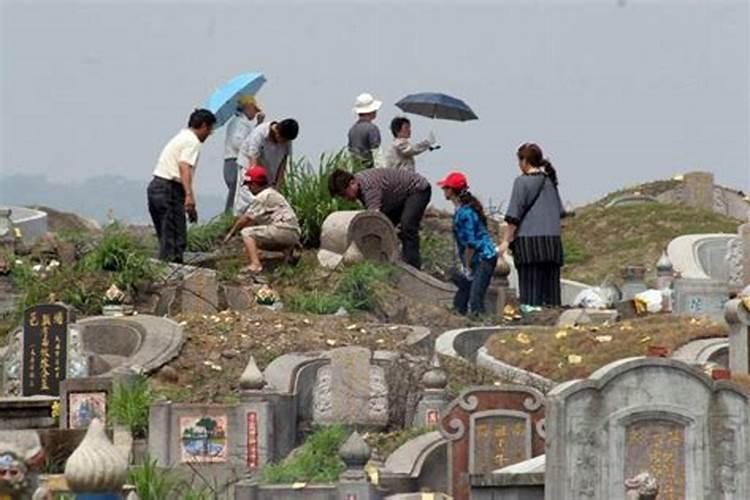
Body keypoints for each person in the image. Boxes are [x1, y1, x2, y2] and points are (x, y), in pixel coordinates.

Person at [499, 143, 566, 308]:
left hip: (529, 244)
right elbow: (560, 212)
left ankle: (532, 321)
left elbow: (513, 216)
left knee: (531, 294)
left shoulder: (521, 182)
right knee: (552, 294)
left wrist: (506, 241)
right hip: (552, 243)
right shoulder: (550, 181)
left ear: (524, 161)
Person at [147, 108, 215, 263]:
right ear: (204, 126)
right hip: (169, 188)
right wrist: (189, 195)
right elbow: (184, 166)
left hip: (157, 186)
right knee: (175, 240)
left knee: (167, 236)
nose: (209, 134)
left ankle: (166, 267)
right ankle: (172, 273)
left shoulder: (181, 136)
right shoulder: (193, 142)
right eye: (210, 129)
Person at [328, 168, 431, 269]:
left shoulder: (369, 188)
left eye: (344, 194)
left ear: (352, 183)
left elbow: (374, 220)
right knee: (388, 227)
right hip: (397, 196)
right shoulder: (360, 185)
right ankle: (391, 261)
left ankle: (413, 267)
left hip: (417, 190)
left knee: (407, 227)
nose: (346, 198)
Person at [438, 171, 498, 316]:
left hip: (484, 257)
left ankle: (481, 324)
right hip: (477, 258)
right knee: (463, 295)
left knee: (475, 299)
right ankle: (460, 316)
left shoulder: (465, 213)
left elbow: (470, 243)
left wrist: (468, 266)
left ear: (452, 190)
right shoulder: (462, 210)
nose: (443, 190)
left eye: (445, 188)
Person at [223, 166, 301, 274]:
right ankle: (288, 256)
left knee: (247, 234)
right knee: (259, 238)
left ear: (255, 184)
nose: (249, 188)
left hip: (282, 230)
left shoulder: (262, 196)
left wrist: (231, 233)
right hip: (294, 234)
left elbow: (245, 219)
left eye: (249, 185)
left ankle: (255, 265)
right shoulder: (273, 193)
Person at [235, 119, 299, 212]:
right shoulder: (259, 134)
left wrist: (278, 185)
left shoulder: (287, 139)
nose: (284, 143)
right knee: (250, 201)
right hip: (249, 169)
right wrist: (258, 186)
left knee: (269, 202)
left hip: (270, 170)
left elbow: (283, 164)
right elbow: (254, 163)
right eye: (283, 140)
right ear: (277, 131)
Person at [223, 95, 265, 213]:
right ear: (248, 107)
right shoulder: (239, 123)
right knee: (236, 190)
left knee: (238, 191)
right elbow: (238, 142)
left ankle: (231, 214)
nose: (254, 113)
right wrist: (251, 152)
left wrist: (258, 124)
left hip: (234, 160)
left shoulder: (242, 123)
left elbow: (250, 139)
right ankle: (229, 215)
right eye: (254, 109)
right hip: (234, 160)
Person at [347, 93, 382, 169]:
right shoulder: (372, 129)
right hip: (369, 171)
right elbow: (377, 154)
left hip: (357, 171)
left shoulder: (352, 130)